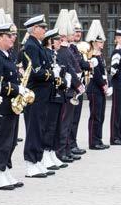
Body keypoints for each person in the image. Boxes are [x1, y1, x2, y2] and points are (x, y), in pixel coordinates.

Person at [0, 21, 24, 190]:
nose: (12, 39)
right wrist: (17, 88)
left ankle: (6, 170)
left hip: (11, 105)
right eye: (9, 36)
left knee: (12, 140)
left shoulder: (6, 55)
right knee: (2, 140)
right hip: (1, 106)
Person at [20, 14, 55, 179]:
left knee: (41, 127)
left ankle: (38, 159)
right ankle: (31, 162)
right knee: (34, 128)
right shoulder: (31, 46)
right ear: (34, 29)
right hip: (35, 92)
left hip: (43, 93)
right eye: (43, 27)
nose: (45, 30)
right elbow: (36, 71)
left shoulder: (37, 45)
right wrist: (51, 74)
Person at [53, 10, 84, 164]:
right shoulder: (64, 51)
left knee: (68, 122)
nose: (74, 34)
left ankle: (65, 149)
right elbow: (70, 69)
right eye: (71, 32)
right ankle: (61, 151)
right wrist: (78, 84)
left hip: (71, 90)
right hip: (67, 91)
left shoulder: (67, 49)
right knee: (64, 123)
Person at [40, 28, 68, 171]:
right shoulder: (46, 53)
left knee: (56, 126)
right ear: (50, 41)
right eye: (57, 40)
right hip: (50, 95)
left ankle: (51, 152)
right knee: (49, 126)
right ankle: (45, 153)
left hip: (58, 93)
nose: (59, 42)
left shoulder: (54, 54)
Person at [68, 11, 90, 157]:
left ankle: (73, 142)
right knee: (69, 118)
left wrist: (88, 64)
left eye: (80, 31)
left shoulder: (76, 48)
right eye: (75, 31)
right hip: (71, 87)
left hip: (79, 86)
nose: (78, 33)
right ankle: (69, 145)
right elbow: (75, 65)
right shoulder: (69, 48)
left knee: (75, 118)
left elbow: (81, 64)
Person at [85, 20, 110, 150]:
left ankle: (98, 139)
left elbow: (104, 72)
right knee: (95, 116)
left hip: (100, 89)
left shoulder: (100, 55)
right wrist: (104, 86)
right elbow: (96, 74)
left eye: (102, 41)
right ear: (94, 42)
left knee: (100, 116)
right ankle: (93, 142)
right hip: (95, 89)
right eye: (100, 42)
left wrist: (106, 84)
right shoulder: (94, 56)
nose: (102, 43)